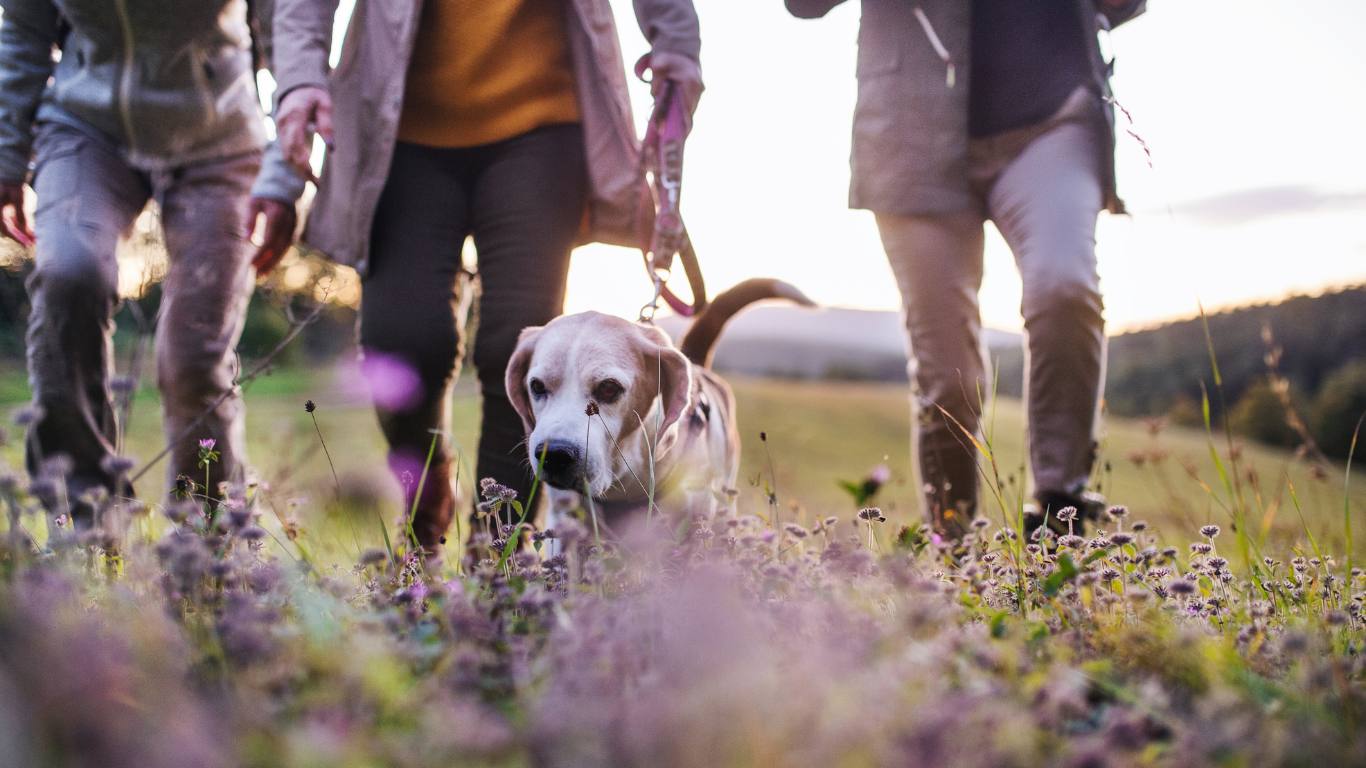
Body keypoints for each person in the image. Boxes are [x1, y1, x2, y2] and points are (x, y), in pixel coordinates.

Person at [260, 0, 703, 553]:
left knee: (513, 345)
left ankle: (499, 561)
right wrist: (300, 79)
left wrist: (677, 45)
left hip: (543, 124)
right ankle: (427, 491)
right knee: (401, 342)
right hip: (399, 124)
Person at [785, 0, 1145, 536]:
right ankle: (955, 551)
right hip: (910, 138)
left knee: (1063, 286)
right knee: (947, 376)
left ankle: (1058, 506)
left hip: (1052, 118)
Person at [0, 0, 299, 521]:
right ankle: (83, 525)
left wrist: (285, 169)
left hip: (220, 135)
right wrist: (6, 154)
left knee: (193, 355)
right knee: (70, 273)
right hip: (84, 124)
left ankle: (206, 550)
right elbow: (24, 31)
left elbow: (289, 30)